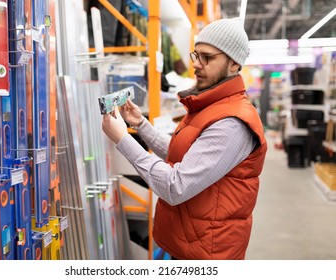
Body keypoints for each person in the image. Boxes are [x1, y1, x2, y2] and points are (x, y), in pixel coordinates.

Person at [102, 17, 267, 260]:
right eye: (195, 55)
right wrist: (141, 125)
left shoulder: (232, 123)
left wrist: (123, 139)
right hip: (188, 242)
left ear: (234, 64)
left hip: (206, 254)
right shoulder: (210, 105)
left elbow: (175, 186)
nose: (196, 65)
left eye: (207, 58)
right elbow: (185, 153)